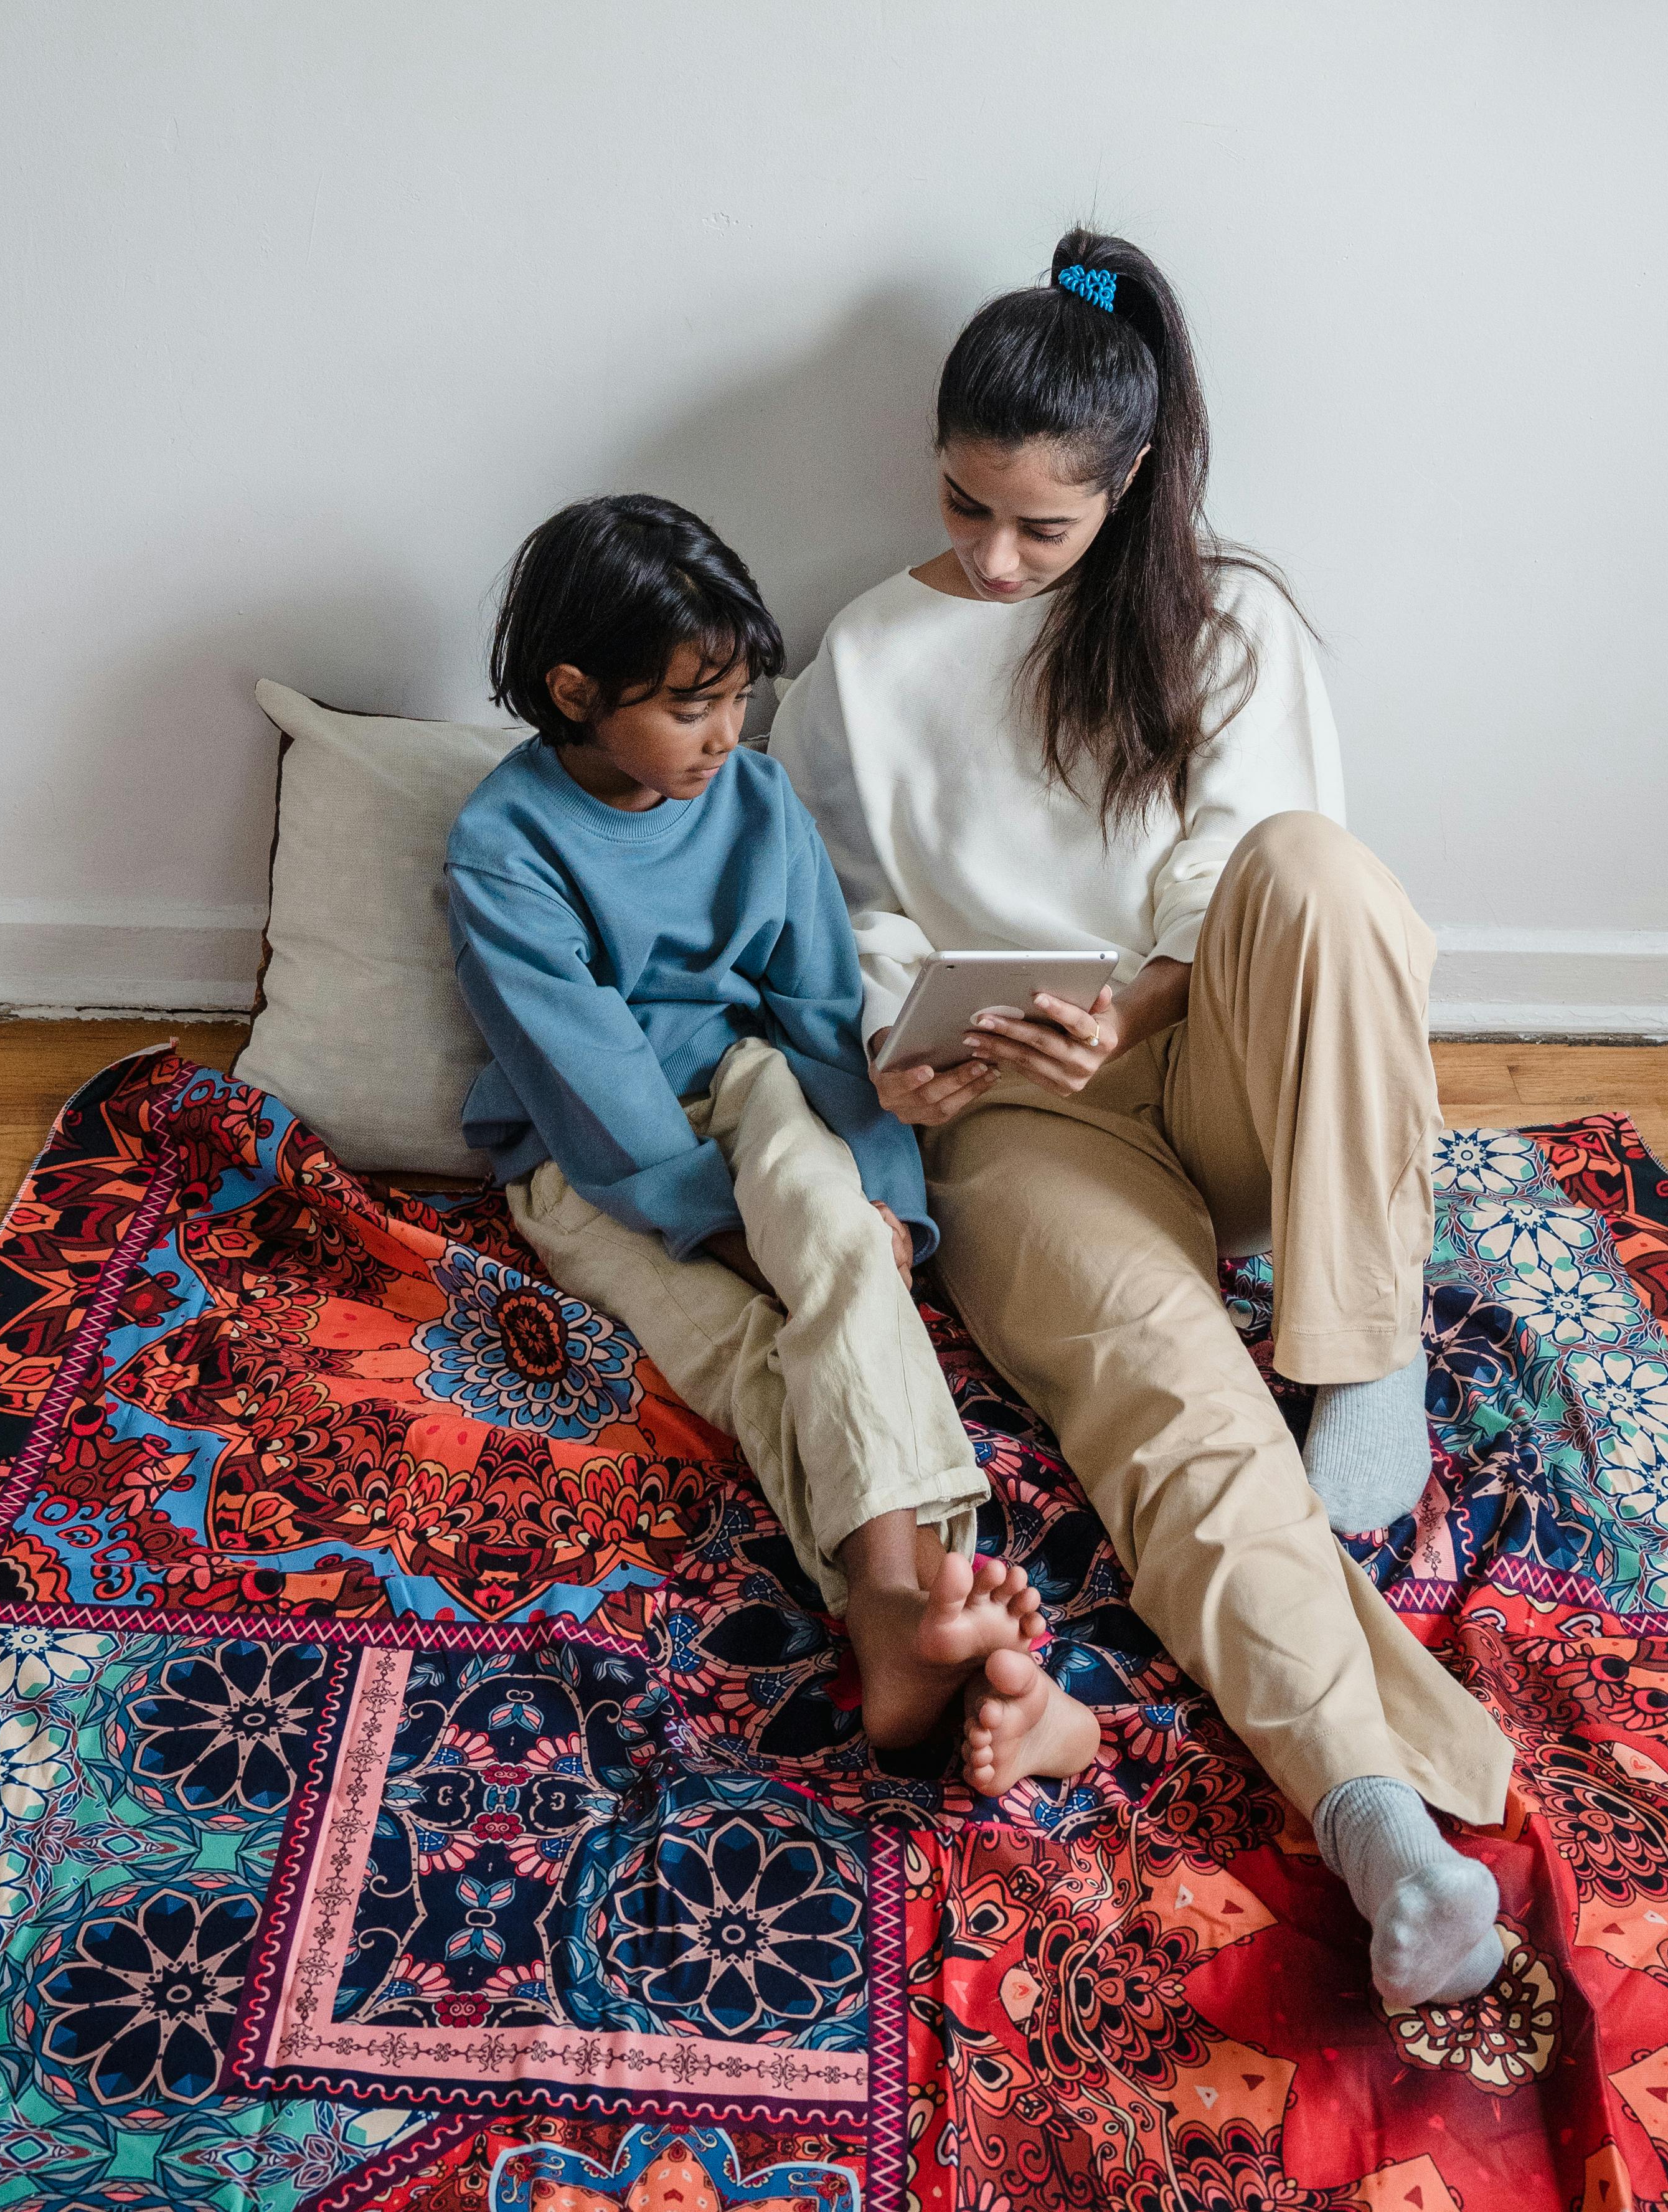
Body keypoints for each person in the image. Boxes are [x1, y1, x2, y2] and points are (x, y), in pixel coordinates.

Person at [772, 235, 1513, 2006]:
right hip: (1026, 1121)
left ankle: (1366, 1334)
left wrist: (1143, 1002)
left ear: (1127, 486)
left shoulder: (1226, 613)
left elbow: (1245, 882)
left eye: (1043, 524)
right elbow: (855, 926)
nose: (995, 555)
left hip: (1221, 1065)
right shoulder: (862, 662)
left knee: (1323, 877)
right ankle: (1379, 1827)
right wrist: (903, 1060)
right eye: (966, 508)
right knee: (1172, 1411)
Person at [448, 489, 1050, 1756]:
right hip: (583, 1157)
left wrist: (885, 1196)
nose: (724, 735)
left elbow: (821, 1020)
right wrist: (741, 1246)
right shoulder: (503, 850)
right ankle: (910, 1607)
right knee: (742, 1348)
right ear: (572, 692)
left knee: (836, 1243)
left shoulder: (759, 800)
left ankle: (896, 1612)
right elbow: (593, 1087)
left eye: (735, 699)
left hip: (748, 1078)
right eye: (685, 707)